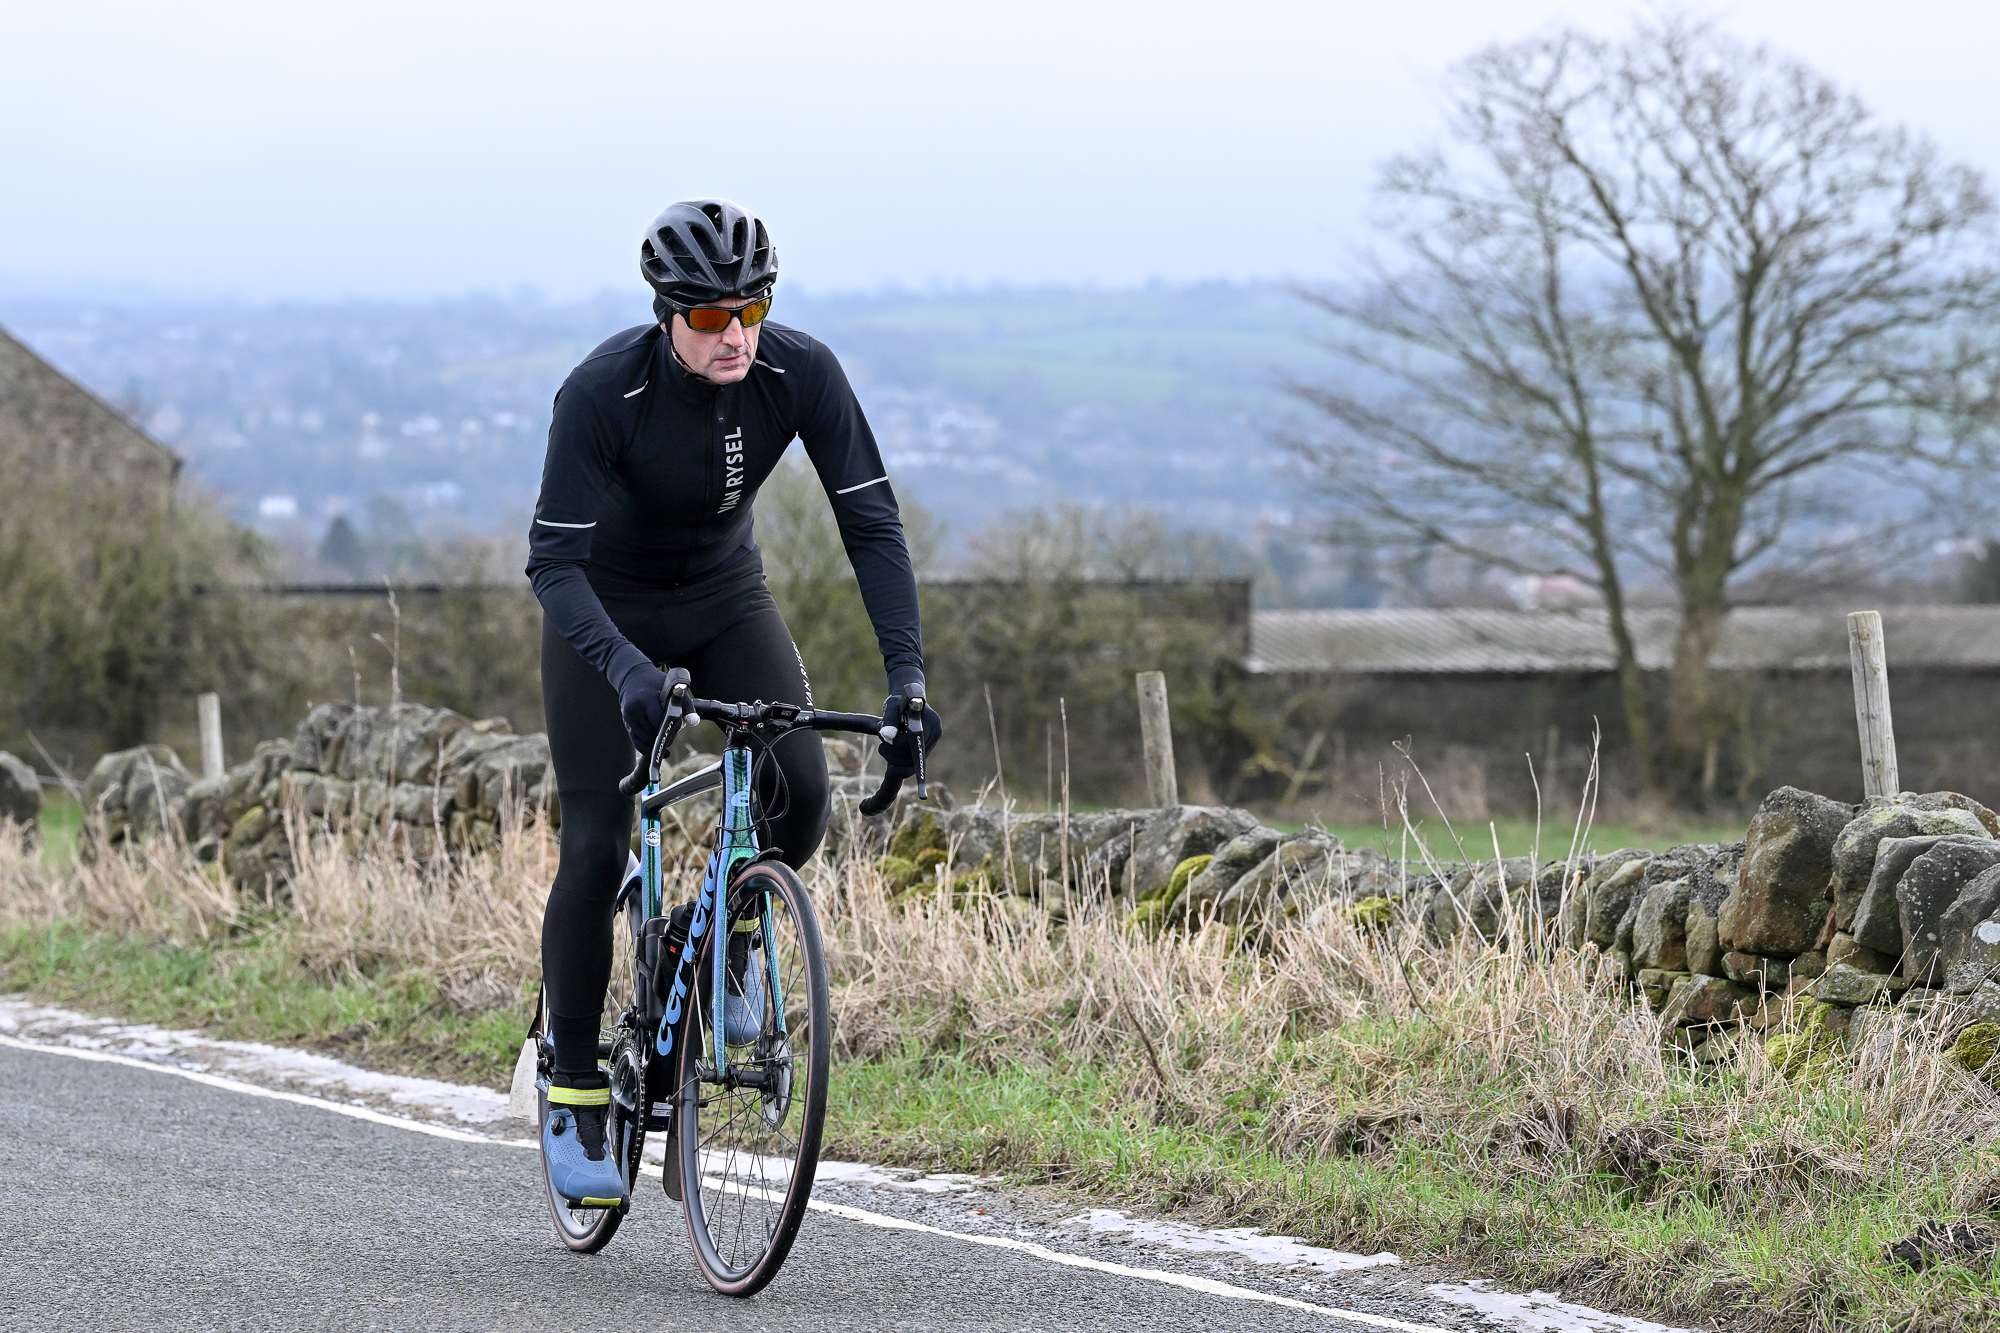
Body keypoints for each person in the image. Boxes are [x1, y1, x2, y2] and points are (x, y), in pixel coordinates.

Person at [525, 199, 940, 1206]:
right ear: (666, 315)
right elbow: (552, 564)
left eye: (752, 309)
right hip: (604, 618)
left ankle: (728, 940)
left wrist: (907, 679)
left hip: (724, 601)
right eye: (710, 317)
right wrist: (626, 670)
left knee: (802, 790)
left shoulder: (801, 373)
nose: (735, 335)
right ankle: (571, 1084)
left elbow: (871, 526)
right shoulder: (601, 391)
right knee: (594, 844)